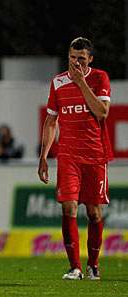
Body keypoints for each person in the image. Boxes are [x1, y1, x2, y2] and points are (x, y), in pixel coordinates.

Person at [38, 37, 112, 280]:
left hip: (94, 155)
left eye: (81, 58)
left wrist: (81, 83)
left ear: (90, 59)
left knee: (94, 213)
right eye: (72, 57)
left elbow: (101, 112)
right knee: (68, 207)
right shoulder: (58, 82)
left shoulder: (100, 78)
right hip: (68, 155)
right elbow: (51, 121)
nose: (76, 62)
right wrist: (44, 156)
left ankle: (93, 265)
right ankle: (75, 267)